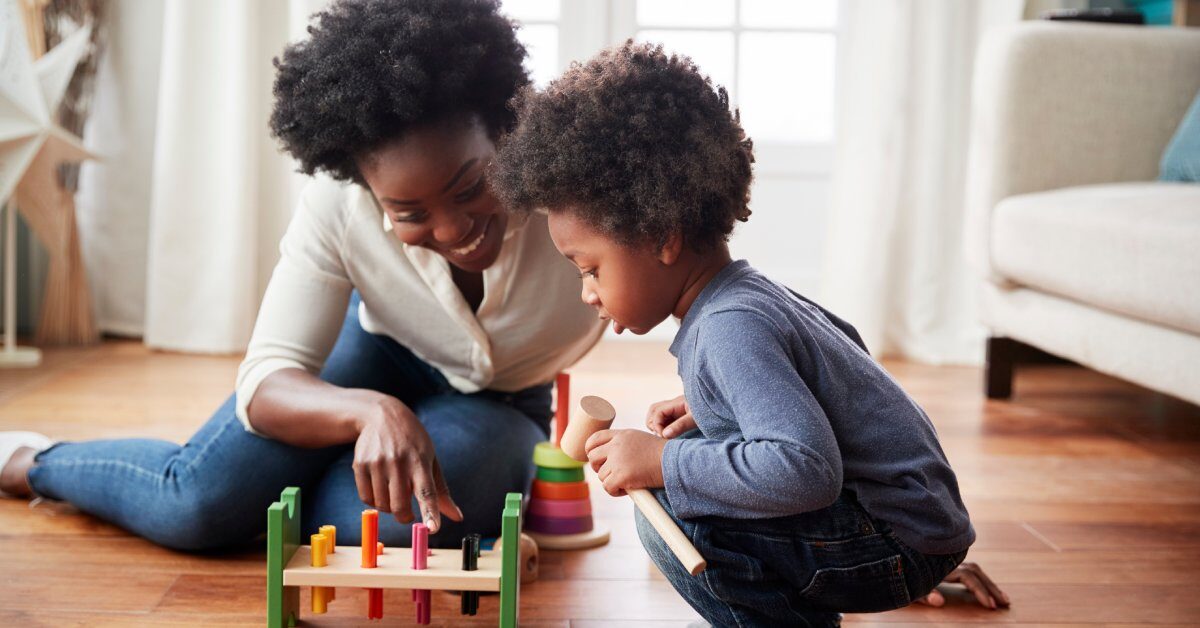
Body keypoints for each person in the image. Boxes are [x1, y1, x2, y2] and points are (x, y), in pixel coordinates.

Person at [0, 0, 603, 549]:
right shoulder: (337, 203)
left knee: (384, 527)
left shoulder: (581, 186)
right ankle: (32, 462)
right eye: (409, 213)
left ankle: (281, 485)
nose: (450, 232)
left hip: (502, 399)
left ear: (504, 129)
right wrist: (369, 413)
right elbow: (266, 380)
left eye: (471, 187)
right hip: (380, 350)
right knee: (198, 506)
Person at [489, 41, 1010, 625]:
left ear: (663, 235)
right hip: (915, 526)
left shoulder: (729, 327)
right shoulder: (750, 295)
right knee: (692, 457)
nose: (587, 292)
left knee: (669, 506)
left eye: (590, 269)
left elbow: (807, 471)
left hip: (893, 539)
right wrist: (717, 406)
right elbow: (841, 374)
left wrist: (663, 464)